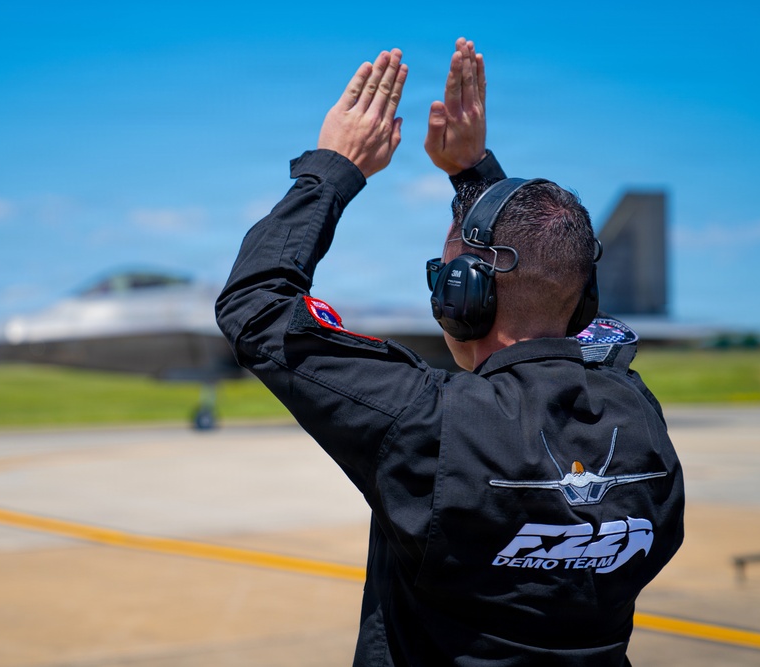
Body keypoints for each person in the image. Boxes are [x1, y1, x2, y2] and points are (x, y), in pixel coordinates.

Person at [215, 38, 684, 666]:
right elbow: (563, 291)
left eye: (447, 276)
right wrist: (475, 176)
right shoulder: (639, 414)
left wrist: (330, 169)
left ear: (464, 298)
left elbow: (256, 309)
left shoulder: (427, 424)